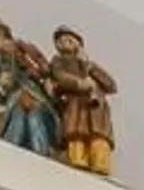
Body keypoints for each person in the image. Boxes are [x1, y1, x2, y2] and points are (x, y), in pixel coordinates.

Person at [0, 17, 60, 160]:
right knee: (16, 124)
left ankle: (41, 156)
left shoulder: (26, 50)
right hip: (15, 104)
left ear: (2, 33)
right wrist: (1, 85)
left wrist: (46, 79)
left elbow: (45, 70)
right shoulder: (0, 67)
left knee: (36, 121)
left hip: (38, 100)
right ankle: (9, 156)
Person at [46, 28, 119, 176]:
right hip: (75, 105)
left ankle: (100, 163)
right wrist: (79, 83)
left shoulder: (89, 64)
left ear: (78, 44)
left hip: (96, 108)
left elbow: (111, 85)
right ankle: (79, 161)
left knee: (99, 138)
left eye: (69, 40)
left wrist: (90, 67)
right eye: (60, 41)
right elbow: (60, 77)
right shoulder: (58, 61)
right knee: (76, 135)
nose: (65, 43)